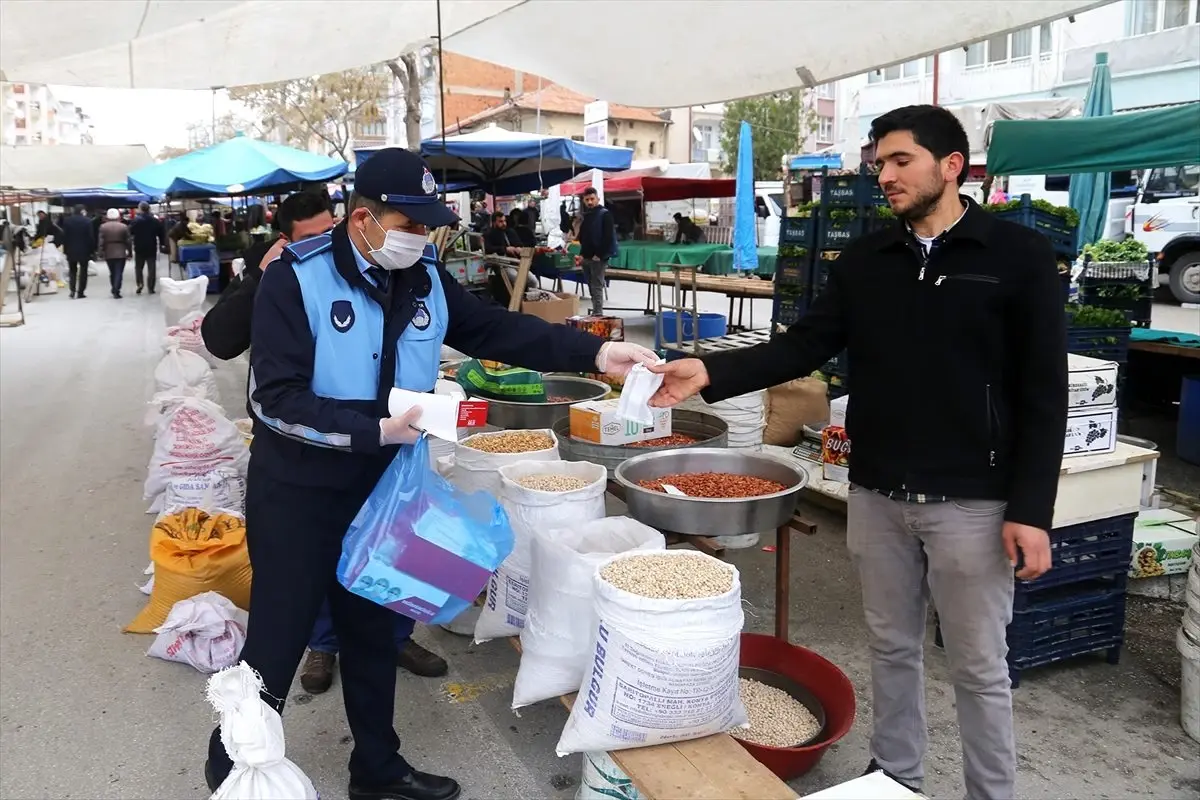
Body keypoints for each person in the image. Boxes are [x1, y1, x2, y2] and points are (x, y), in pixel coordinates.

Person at [202, 147, 656, 800]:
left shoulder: (425, 279)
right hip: (299, 493)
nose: (421, 236)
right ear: (363, 220)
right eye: (409, 225)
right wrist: (373, 429)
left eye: (426, 225)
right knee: (276, 645)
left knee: (375, 632)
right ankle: (231, 777)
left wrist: (597, 351)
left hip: (386, 493)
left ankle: (377, 771)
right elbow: (274, 400)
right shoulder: (294, 280)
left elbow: (498, 330)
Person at [648, 104, 1065, 800]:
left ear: (951, 165)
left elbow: (1045, 393)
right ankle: (896, 776)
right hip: (877, 492)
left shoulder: (1016, 258)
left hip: (972, 500)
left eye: (900, 161)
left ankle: (991, 794)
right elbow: (806, 344)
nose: (886, 176)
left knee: (979, 666)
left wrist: (1031, 508)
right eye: (880, 165)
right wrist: (710, 373)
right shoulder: (868, 259)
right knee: (892, 648)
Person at [202, 191, 335, 360]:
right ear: (285, 240)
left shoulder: (353, 262)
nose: (320, 246)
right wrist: (261, 275)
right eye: (309, 239)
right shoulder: (261, 268)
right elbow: (219, 342)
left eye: (327, 234)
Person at [577, 187, 615, 316]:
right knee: (591, 287)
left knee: (597, 286)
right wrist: (582, 254)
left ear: (598, 199)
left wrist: (599, 255)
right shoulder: (587, 215)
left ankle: (598, 315)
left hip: (598, 258)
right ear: (583, 200)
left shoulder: (605, 214)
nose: (590, 202)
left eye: (592, 199)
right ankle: (595, 312)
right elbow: (583, 237)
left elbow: (608, 237)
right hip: (586, 257)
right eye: (587, 199)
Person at [129, 202, 165, 294]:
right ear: (149, 209)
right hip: (151, 246)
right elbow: (161, 233)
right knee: (151, 268)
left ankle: (140, 283)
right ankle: (151, 287)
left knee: (138, 267)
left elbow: (130, 232)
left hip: (139, 247)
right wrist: (162, 244)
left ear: (140, 209)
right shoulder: (155, 220)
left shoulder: (136, 220)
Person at [60, 206, 96, 299]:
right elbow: (90, 237)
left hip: (71, 250)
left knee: (72, 270)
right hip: (84, 250)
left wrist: (65, 250)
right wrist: (92, 250)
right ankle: (81, 292)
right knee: (83, 271)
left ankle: (72, 290)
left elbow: (65, 236)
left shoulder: (67, 221)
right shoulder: (87, 221)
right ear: (82, 211)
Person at [97, 208, 131, 299]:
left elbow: (101, 241)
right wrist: (130, 252)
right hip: (121, 251)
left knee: (112, 272)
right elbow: (128, 241)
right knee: (119, 272)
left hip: (108, 251)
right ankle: (116, 289)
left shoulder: (103, 227)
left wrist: (100, 252)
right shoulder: (123, 226)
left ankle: (114, 287)